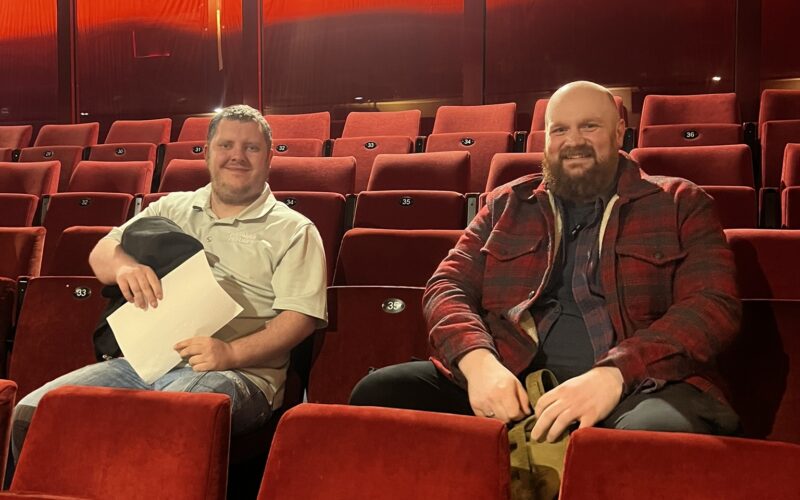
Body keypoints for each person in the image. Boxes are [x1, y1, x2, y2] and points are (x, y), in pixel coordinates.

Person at [350, 81, 741, 441]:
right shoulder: (507, 204)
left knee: (651, 438)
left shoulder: (680, 203)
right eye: (560, 130)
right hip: (514, 380)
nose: (574, 142)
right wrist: (478, 363)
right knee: (380, 395)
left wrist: (615, 373)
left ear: (620, 133)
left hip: (639, 389)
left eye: (589, 127)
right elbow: (446, 286)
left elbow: (712, 306)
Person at [12, 105, 328, 458]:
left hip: (239, 375)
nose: (237, 156)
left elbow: (300, 319)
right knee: (32, 412)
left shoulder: (295, 230)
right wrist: (124, 267)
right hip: (142, 362)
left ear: (269, 157)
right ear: (207, 153)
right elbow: (102, 252)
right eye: (226, 145)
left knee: (166, 416)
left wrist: (229, 352)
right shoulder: (170, 208)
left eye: (251, 148)